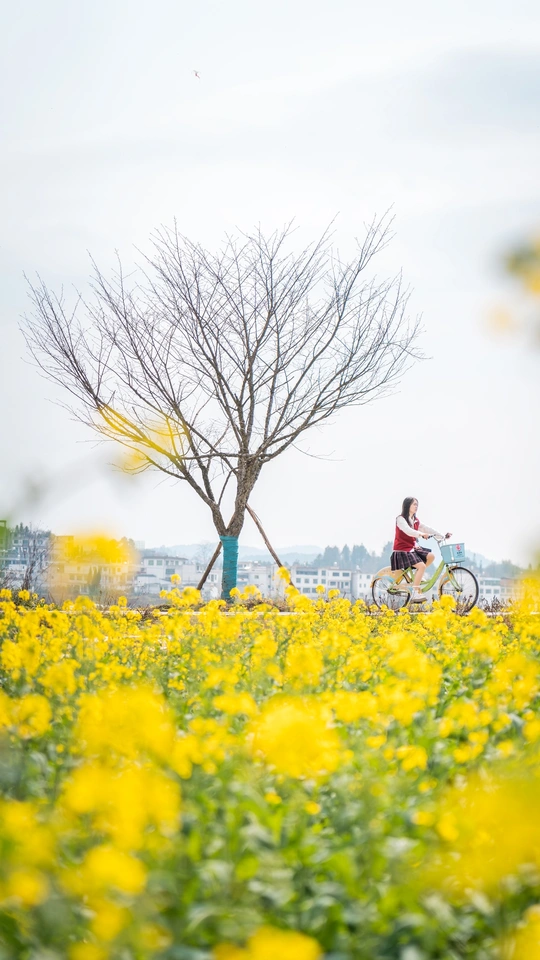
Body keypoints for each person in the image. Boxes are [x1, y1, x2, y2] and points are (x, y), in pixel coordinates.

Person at [391, 497, 452, 603]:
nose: (416, 507)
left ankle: (416, 576)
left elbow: (427, 528)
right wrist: (421, 534)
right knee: (422, 566)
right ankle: (415, 593)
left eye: (417, 505)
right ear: (407, 505)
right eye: (414, 504)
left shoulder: (415, 520)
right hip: (402, 550)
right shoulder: (400, 519)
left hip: (411, 548)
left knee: (431, 556)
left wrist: (442, 536)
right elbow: (408, 531)